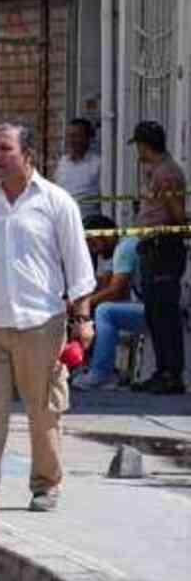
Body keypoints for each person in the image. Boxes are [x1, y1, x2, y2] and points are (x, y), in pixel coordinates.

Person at [0, 122, 96, 514]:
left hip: (42, 322)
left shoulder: (56, 202)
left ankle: (46, 485)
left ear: (28, 154)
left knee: (44, 410)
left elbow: (78, 268)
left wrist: (83, 319)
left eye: (4, 149)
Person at [129, 121, 187, 394]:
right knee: (154, 312)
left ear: (145, 145)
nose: (138, 152)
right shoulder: (156, 171)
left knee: (165, 313)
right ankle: (162, 370)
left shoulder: (167, 174)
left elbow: (176, 214)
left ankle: (171, 373)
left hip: (163, 247)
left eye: (139, 146)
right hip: (152, 246)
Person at [73, 215, 143, 391]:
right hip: (143, 306)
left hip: (152, 309)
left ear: (106, 234)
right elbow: (101, 288)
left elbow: (115, 291)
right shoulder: (113, 252)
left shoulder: (125, 248)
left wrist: (83, 305)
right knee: (96, 309)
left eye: (93, 242)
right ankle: (90, 365)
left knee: (105, 311)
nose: (92, 249)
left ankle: (101, 374)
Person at [54, 118, 101, 218]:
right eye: (69, 136)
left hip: (87, 223)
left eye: (76, 136)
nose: (71, 140)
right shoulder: (63, 163)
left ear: (87, 138)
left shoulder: (97, 164)